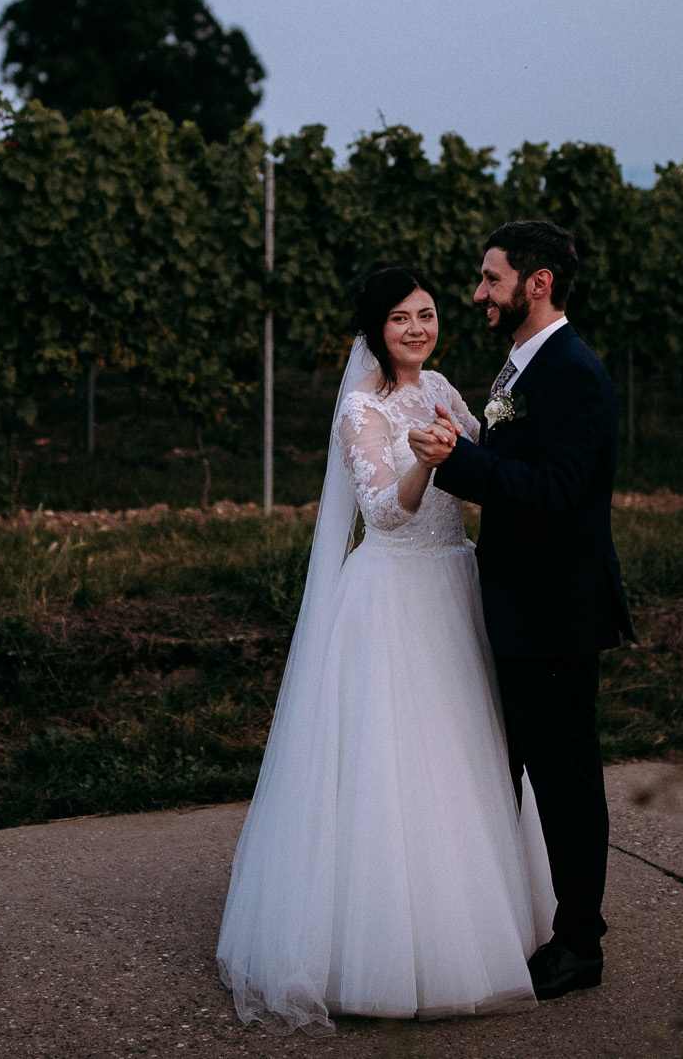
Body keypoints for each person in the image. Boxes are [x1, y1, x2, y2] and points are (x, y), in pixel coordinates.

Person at [215, 266, 555, 1035]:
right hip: (395, 592)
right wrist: (423, 465)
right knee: (395, 764)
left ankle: (481, 920)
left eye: (427, 314)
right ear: (375, 329)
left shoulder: (442, 386)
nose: (417, 328)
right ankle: (383, 949)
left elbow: (485, 466)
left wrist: (481, 450)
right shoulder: (361, 409)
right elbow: (384, 512)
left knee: (468, 750)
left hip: (454, 583)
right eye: (400, 317)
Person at [408, 220, 634, 1002]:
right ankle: (503, 916)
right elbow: (518, 465)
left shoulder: (573, 373)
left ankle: (579, 943)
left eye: (490, 278)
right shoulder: (522, 365)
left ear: (537, 283)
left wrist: (461, 464)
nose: (478, 293)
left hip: (557, 611)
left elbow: (557, 493)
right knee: (513, 768)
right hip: (516, 607)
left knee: (564, 777)